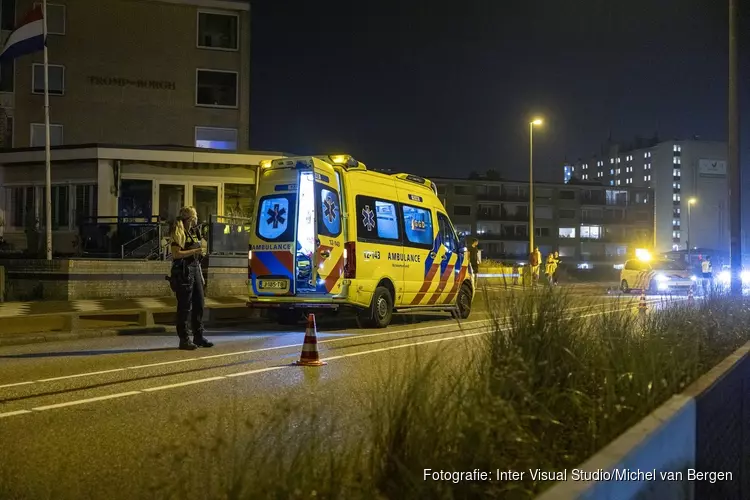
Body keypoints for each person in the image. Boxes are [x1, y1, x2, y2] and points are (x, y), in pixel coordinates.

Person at [169, 206, 214, 350]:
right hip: (184, 271)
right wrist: (195, 250)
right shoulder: (178, 231)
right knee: (184, 306)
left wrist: (200, 272)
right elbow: (176, 254)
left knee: (199, 303)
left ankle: (199, 336)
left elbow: (200, 250)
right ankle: (184, 339)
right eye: (195, 216)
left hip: (195, 269)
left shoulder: (194, 231)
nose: (197, 219)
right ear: (189, 218)